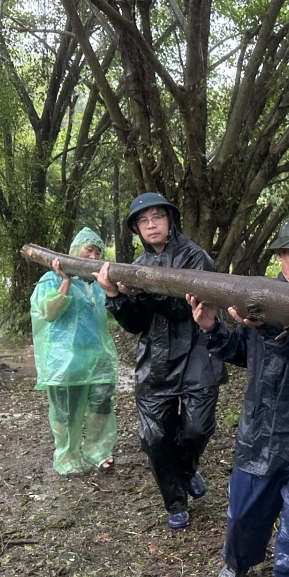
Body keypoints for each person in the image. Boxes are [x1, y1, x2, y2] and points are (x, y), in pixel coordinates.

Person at [186, 215, 289, 577]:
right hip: (259, 430)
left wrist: (270, 326)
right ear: (279, 256)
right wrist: (210, 327)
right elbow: (243, 352)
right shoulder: (257, 297)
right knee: (244, 516)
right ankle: (237, 563)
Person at [95, 192, 226, 530]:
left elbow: (186, 309)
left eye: (157, 217)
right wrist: (114, 295)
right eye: (143, 220)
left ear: (170, 221)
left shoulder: (196, 257)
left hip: (198, 353)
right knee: (154, 438)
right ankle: (176, 501)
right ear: (137, 229)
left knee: (197, 427)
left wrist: (145, 293)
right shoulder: (136, 267)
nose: (151, 224)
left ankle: (184, 470)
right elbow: (135, 323)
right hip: (156, 360)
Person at [29, 227, 119, 476]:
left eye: (98, 252)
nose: (93, 256)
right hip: (64, 360)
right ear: (75, 251)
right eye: (89, 250)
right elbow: (48, 312)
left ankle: (98, 451)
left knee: (102, 402)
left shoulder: (97, 284)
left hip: (99, 358)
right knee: (65, 410)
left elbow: (113, 314)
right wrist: (66, 282)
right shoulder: (52, 279)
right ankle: (68, 456)